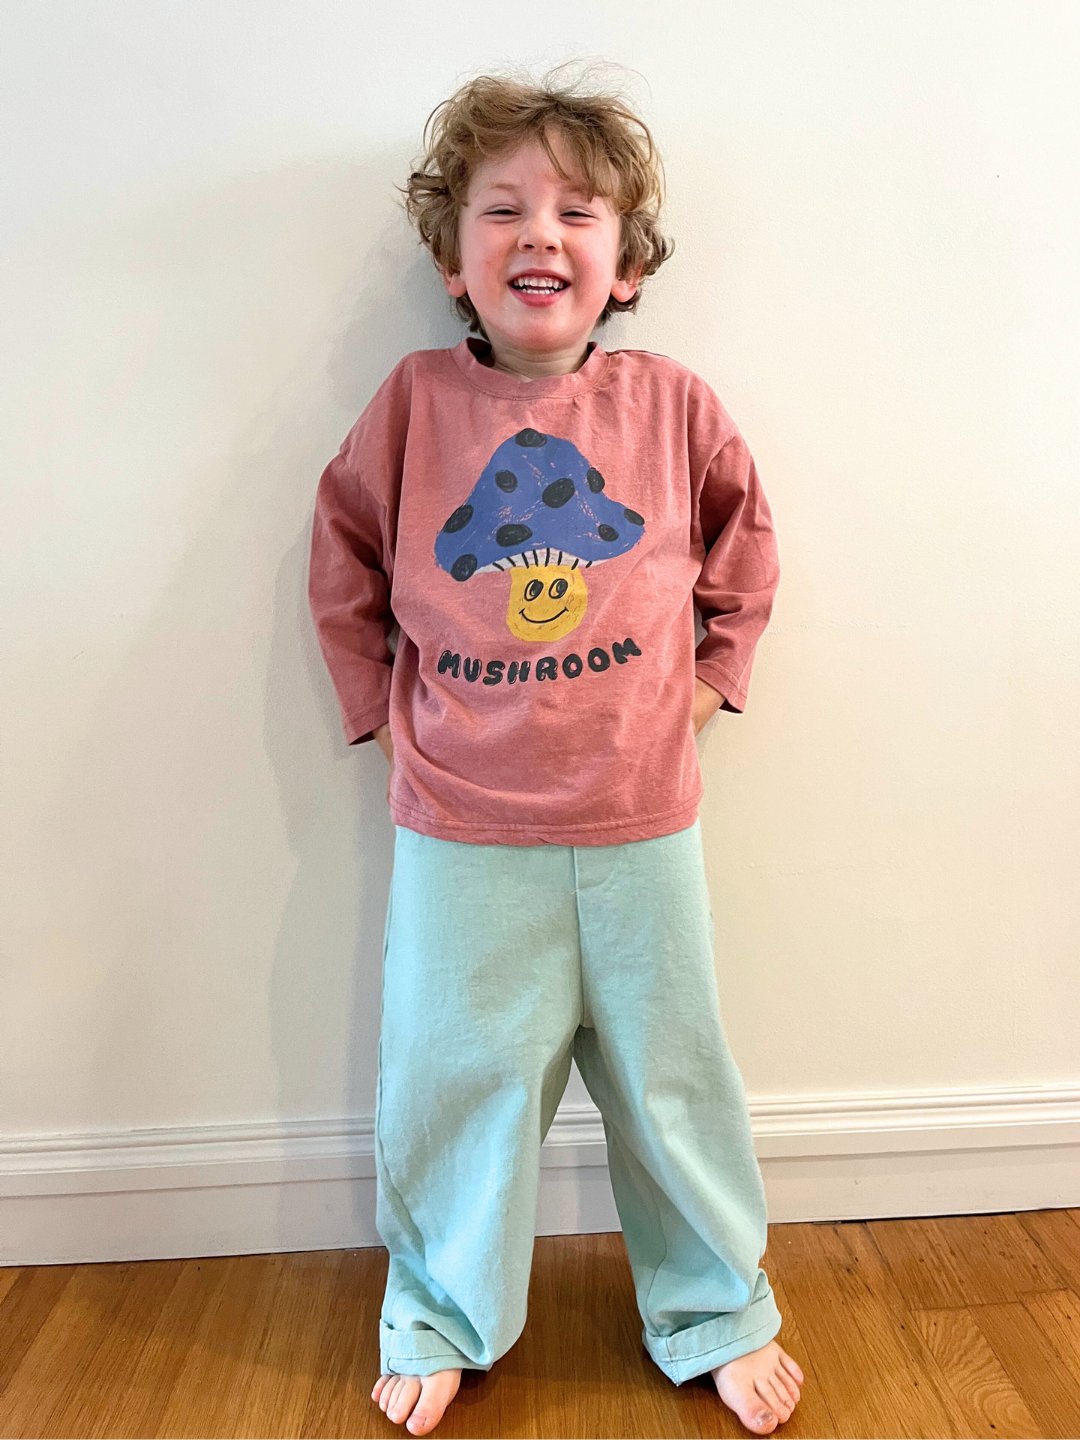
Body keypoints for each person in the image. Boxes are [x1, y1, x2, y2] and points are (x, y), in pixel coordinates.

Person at [307, 66, 804, 1438]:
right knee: (456, 1086)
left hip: (644, 819)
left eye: (579, 213)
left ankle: (716, 1308)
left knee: (675, 1083)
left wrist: (711, 683)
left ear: (627, 263)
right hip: (462, 829)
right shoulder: (412, 407)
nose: (542, 235)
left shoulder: (673, 407)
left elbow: (747, 551)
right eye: (503, 210)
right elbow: (342, 554)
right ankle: (443, 1313)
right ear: (453, 259)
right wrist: (376, 708)